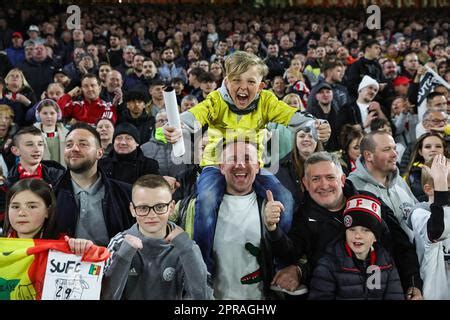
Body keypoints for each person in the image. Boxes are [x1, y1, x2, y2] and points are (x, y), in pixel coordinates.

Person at [163, 51, 331, 273]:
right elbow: (193, 117)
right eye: (236, 81)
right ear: (225, 82)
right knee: (206, 201)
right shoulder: (215, 100)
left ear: (261, 86)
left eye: (251, 81)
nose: (243, 87)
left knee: (286, 200)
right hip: (216, 165)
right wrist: (176, 128)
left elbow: (294, 117)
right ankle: (203, 268)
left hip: (254, 167)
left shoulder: (268, 101)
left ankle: (279, 263)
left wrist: (317, 124)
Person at [267, 152, 422, 300]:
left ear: (342, 179)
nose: (324, 185)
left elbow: (401, 245)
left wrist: (413, 283)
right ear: (305, 184)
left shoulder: (370, 202)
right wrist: (273, 228)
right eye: (315, 179)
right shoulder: (302, 216)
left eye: (330, 177)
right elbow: (289, 254)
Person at [173, 139, 280, 299]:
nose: (240, 165)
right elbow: (155, 229)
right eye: (232, 159)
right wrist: (160, 195)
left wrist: (274, 230)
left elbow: (291, 252)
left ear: (258, 166)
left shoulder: (271, 206)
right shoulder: (191, 207)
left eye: (247, 158)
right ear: (220, 167)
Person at [101, 174, 212, 300]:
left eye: (159, 207)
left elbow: (203, 297)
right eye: (143, 208)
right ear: (132, 209)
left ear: (171, 207)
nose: (152, 215)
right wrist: (123, 256)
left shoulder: (186, 246)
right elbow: (106, 296)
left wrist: (187, 249)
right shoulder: (118, 243)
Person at [48, 122, 133, 247]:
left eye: (83, 144)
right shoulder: (51, 195)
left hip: (113, 263)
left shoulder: (125, 193)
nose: (74, 149)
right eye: (69, 145)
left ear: (99, 153)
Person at [308, 195, 404, 300]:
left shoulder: (386, 263)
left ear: (376, 237)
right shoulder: (329, 264)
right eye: (352, 229)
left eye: (366, 230)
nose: (357, 235)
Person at [348, 131, 418, 241]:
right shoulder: (353, 186)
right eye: (387, 149)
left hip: (412, 254)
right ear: (368, 155)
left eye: (394, 148)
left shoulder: (399, 181)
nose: (395, 154)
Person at [2, 178, 94, 256]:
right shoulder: (2, 244)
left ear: (47, 211)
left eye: (32, 206)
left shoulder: (66, 245)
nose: (21, 213)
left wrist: (83, 247)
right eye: (15, 207)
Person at [408, 154, 450, 299]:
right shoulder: (419, 214)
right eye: (446, 187)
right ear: (428, 189)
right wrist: (440, 181)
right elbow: (438, 230)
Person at [276, 126, 323, 210]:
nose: (306, 139)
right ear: (295, 140)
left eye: (311, 136)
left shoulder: (330, 164)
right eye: (302, 136)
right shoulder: (281, 166)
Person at [403, 133, 448, 202]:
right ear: (420, 152)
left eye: (438, 146)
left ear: (444, 150)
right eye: (427, 147)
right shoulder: (410, 176)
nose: (433, 149)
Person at [33, 99, 68, 167]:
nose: (49, 116)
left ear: (58, 114)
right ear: (38, 114)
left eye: (52, 113)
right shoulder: (32, 134)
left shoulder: (67, 133)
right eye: (45, 113)